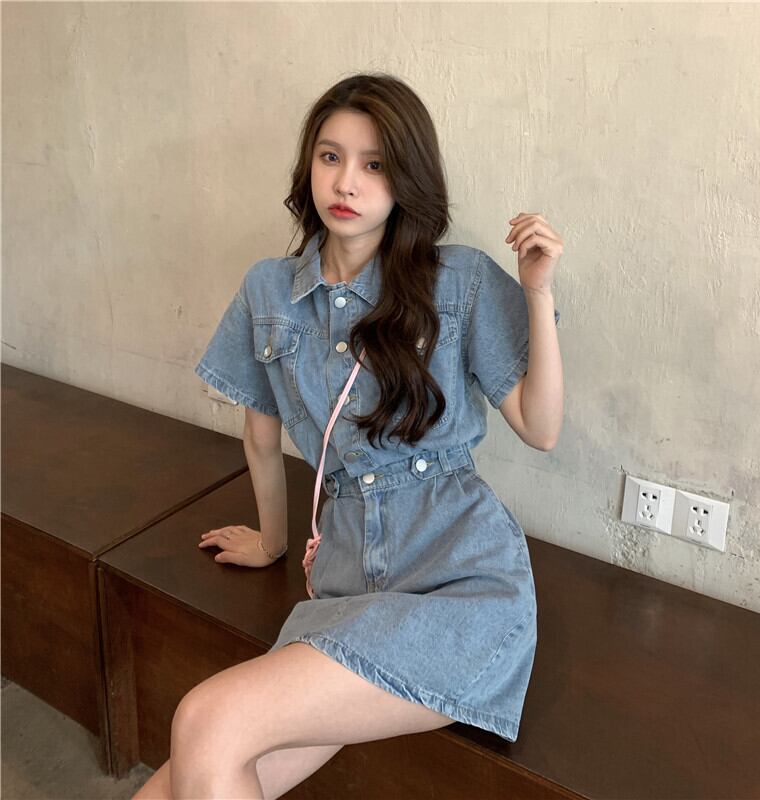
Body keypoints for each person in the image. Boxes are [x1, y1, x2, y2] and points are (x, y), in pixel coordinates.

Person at [133, 71, 564, 800]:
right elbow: (260, 437)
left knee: (206, 720)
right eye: (330, 156)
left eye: (374, 164)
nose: (347, 182)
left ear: (407, 180)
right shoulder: (268, 291)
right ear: (309, 165)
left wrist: (538, 291)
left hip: (459, 581)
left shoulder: (455, 280)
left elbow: (541, 428)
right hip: (342, 581)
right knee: (181, 778)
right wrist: (272, 542)